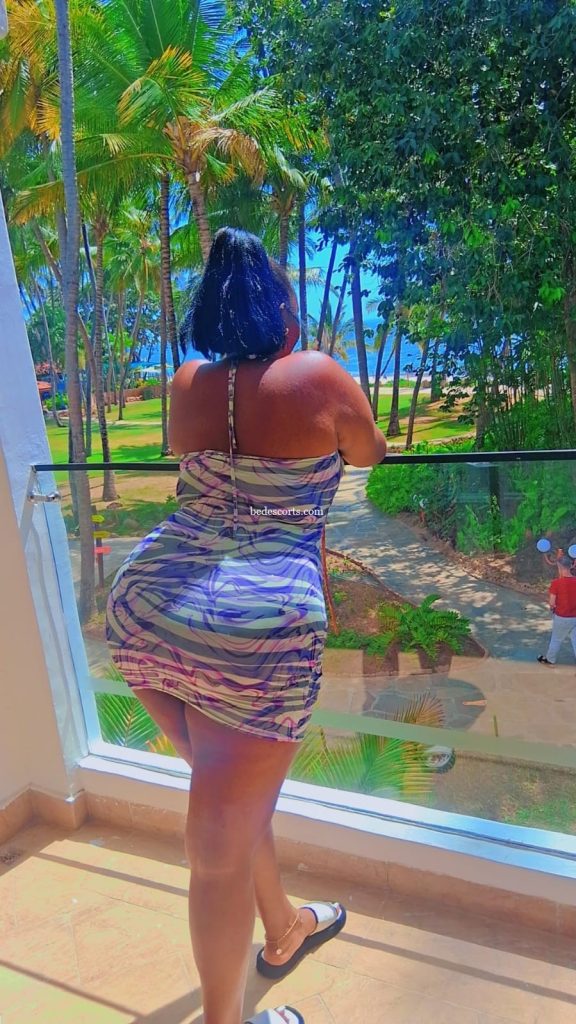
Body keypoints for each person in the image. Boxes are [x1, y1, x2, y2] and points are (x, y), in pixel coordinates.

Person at [105, 227, 388, 1024]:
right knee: (217, 851)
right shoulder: (318, 375)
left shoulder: (186, 382)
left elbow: (196, 454)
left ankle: (284, 928)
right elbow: (370, 452)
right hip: (257, 635)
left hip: (148, 610)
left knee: (228, 798)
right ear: (281, 308)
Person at [537, 555, 576, 666]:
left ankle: (550, 660)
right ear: (570, 566)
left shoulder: (556, 583)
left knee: (556, 639)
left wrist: (552, 608)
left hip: (562, 617)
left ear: (559, 567)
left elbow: (552, 603)